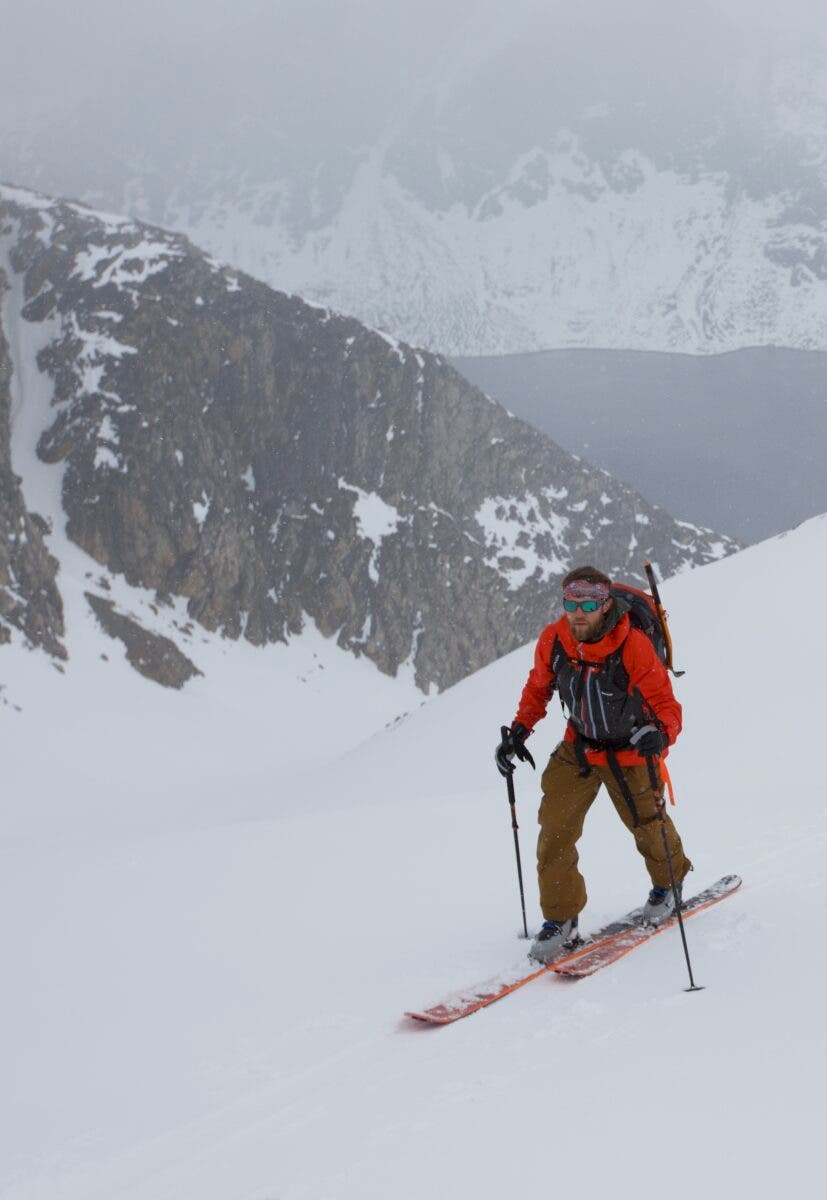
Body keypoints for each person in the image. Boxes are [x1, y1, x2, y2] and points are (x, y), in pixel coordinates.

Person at [495, 564, 691, 964]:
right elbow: (538, 689)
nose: (579, 611)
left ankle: (669, 885)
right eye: (571, 602)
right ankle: (561, 919)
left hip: (631, 751)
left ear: (606, 605)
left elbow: (668, 706)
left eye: (589, 602)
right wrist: (518, 732)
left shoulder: (632, 645)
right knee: (554, 830)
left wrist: (662, 734)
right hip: (580, 747)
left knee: (648, 825)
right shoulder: (555, 640)